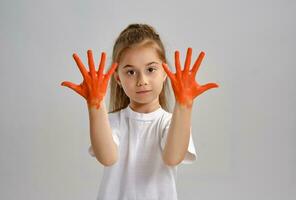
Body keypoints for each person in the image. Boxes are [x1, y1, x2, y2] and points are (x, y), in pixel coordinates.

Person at [61, 23, 219, 200]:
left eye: (151, 69)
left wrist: (184, 105)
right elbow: (107, 158)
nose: (142, 80)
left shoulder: (171, 123)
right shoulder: (112, 122)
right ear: (118, 78)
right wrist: (95, 106)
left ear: (165, 71)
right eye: (130, 72)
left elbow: (173, 158)